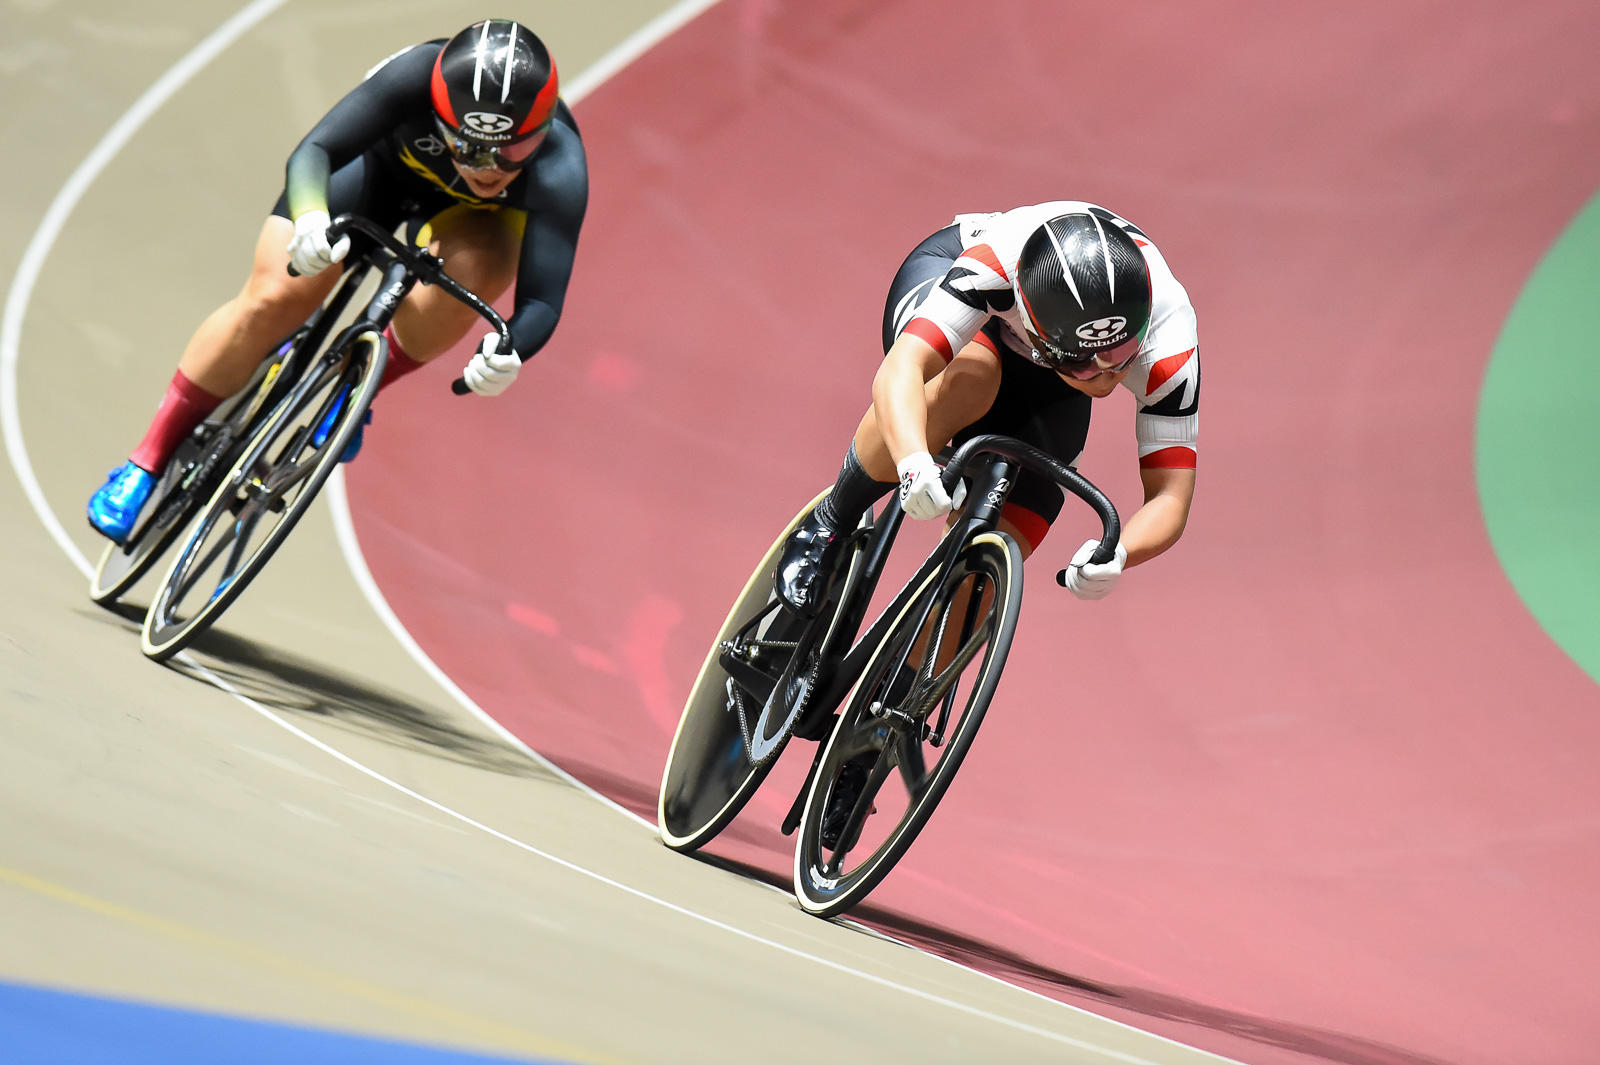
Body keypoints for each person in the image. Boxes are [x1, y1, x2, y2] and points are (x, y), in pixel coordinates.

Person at [87, 19, 587, 542]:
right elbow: (315, 152)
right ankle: (144, 462)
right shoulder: (413, 76)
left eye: (510, 153)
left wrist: (509, 352)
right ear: (439, 113)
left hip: (472, 227)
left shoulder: (562, 164)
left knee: (474, 277)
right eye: (466, 145)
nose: (486, 169)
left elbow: (542, 302)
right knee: (273, 298)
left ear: (542, 133)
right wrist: (307, 220)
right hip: (378, 172)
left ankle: (359, 389)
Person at [777, 202, 1200, 613]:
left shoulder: (1169, 340)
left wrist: (1122, 552)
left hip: (1048, 362)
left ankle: (911, 679)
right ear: (1035, 335)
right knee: (973, 378)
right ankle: (829, 523)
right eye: (1085, 362)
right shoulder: (995, 266)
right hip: (952, 276)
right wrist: (911, 464)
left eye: (1122, 354)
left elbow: (1170, 496)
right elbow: (900, 368)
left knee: (1011, 531)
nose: (1107, 373)